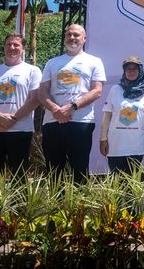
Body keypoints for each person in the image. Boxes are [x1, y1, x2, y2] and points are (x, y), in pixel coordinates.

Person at [40, 24, 106, 182]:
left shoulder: (94, 61)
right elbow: (42, 91)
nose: (72, 38)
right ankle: (56, 200)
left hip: (81, 122)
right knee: (54, 172)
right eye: (69, 34)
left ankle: (79, 200)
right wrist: (56, 110)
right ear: (65, 38)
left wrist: (72, 107)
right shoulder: (52, 62)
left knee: (80, 170)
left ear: (84, 38)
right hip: (52, 121)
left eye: (76, 35)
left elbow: (97, 90)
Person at [0, 34, 42, 178]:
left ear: (23, 49)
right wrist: (0, 117)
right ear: (4, 47)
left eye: (16, 45)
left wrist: (11, 120)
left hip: (20, 130)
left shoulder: (33, 70)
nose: (12, 47)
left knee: (19, 176)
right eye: (8, 44)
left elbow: (35, 100)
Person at [99, 56, 144, 174]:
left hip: (137, 145)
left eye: (135, 69)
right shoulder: (115, 89)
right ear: (124, 71)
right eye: (128, 69)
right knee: (117, 180)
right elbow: (107, 116)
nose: (131, 71)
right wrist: (103, 138)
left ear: (140, 70)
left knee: (133, 180)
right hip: (116, 145)